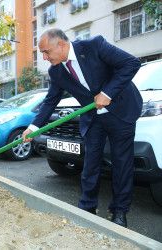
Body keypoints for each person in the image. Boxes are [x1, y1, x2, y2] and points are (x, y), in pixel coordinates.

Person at [22, 28, 142, 228]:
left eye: (46, 52)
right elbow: (50, 101)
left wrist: (108, 93)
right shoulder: (56, 70)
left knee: (122, 163)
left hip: (121, 110)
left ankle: (120, 211)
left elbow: (131, 63)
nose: (44, 57)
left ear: (60, 44)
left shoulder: (94, 45)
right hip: (93, 118)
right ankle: (87, 208)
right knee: (90, 163)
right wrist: (33, 127)